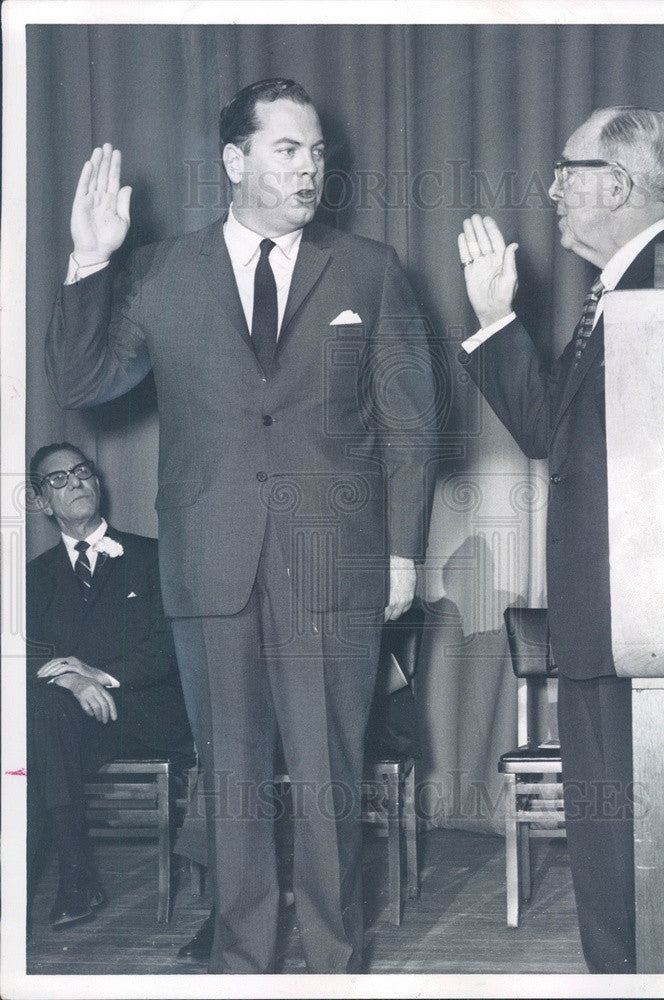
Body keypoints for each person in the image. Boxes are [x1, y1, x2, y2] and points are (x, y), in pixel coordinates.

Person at [45, 78, 436, 973]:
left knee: (331, 775)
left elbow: (411, 428)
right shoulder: (156, 271)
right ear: (235, 160)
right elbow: (82, 382)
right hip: (209, 562)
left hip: (333, 567)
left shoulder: (368, 269)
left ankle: (338, 962)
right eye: (288, 150)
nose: (309, 169)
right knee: (232, 780)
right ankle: (242, 963)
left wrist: (404, 553)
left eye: (318, 152)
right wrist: (88, 264)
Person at [456, 107, 664, 974]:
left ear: (617, 183)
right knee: (608, 835)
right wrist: (492, 319)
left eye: (566, 168)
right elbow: (554, 433)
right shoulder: (617, 291)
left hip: (649, 622)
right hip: (610, 620)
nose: (551, 188)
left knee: (633, 842)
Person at [26, 443, 194, 929]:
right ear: (41, 502)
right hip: (74, 725)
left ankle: (69, 878)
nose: (75, 482)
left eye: (81, 472)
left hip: (147, 716)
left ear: (97, 482)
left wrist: (101, 676)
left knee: (39, 738)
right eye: (58, 479)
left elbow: (170, 642)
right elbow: (24, 650)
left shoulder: (153, 555)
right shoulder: (34, 577)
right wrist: (74, 680)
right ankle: (77, 875)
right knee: (44, 710)